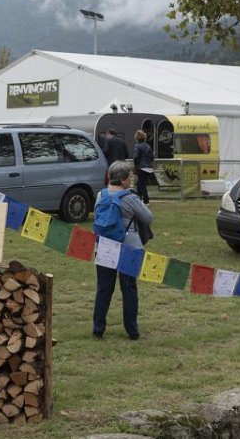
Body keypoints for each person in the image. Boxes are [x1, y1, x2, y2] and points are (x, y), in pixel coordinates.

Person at [93, 160, 154, 340]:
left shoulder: (100, 195)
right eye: (130, 175)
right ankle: (132, 330)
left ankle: (98, 328)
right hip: (129, 247)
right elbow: (148, 218)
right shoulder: (130, 197)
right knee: (129, 289)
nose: (132, 178)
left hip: (104, 246)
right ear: (124, 179)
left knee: (104, 288)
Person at [132, 130, 154, 204]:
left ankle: (146, 201)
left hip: (141, 167)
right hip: (149, 168)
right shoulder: (148, 146)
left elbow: (135, 157)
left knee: (142, 184)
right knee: (140, 183)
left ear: (137, 138)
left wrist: (136, 165)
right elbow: (152, 157)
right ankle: (139, 198)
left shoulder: (137, 146)